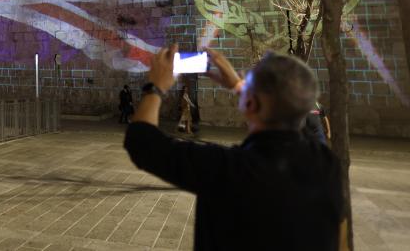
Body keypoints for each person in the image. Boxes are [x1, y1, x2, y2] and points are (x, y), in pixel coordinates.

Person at [124, 45, 345, 251]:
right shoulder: (326, 164)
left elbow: (142, 142)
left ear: (250, 104)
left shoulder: (228, 169)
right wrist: (240, 87)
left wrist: (155, 87)